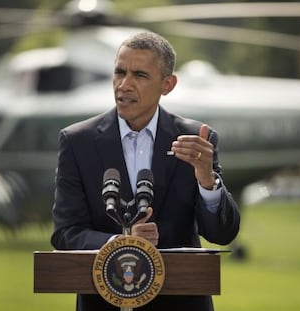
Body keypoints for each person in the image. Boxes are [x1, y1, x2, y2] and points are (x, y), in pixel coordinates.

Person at [51, 31, 240, 311]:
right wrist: (122, 243)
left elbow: (222, 234)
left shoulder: (196, 140)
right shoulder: (77, 141)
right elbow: (65, 233)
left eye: (139, 75)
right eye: (119, 72)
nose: (124, 85)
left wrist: (207, 180)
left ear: (168, 84)